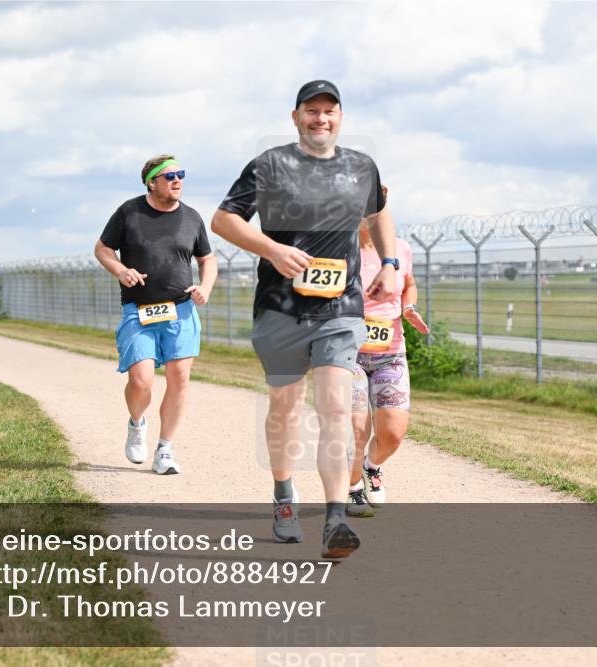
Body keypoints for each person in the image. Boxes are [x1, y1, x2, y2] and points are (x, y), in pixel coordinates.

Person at [211, 80, 396, 558]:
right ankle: (283, 496)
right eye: (311, 110)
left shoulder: (361, 167)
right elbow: (223, 220)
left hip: (341, 308)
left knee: (335, 408)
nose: (320, 118)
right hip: (281, 308)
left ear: (341, 117)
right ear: (295, 117)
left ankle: (335, 519)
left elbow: (380, 214)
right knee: (286, 410)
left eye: (329, 111)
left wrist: (390, 264)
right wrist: (272, 249)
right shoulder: (269, 165)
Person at [94, 154, 217, 475]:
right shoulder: (129, 212)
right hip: (140, 311)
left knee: (180, 378)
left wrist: (205, 286)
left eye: (181, 174)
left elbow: (207, 259)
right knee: (141, 381)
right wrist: (121, 270)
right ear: (152, 182)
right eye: (170, 176)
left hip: (181, 310)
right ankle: (137, 424)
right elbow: (103, 249)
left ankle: (165, 449)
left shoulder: (192, 217)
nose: (177, 180)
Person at [347, 188, 429, 517]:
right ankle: (352, 489)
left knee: (393, 433)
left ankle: (372, 466)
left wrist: (408, 307)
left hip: (390, 353)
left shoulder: (400, 249)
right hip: (347, 353)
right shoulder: (337, 250)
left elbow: (409, 283)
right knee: (356, 429)